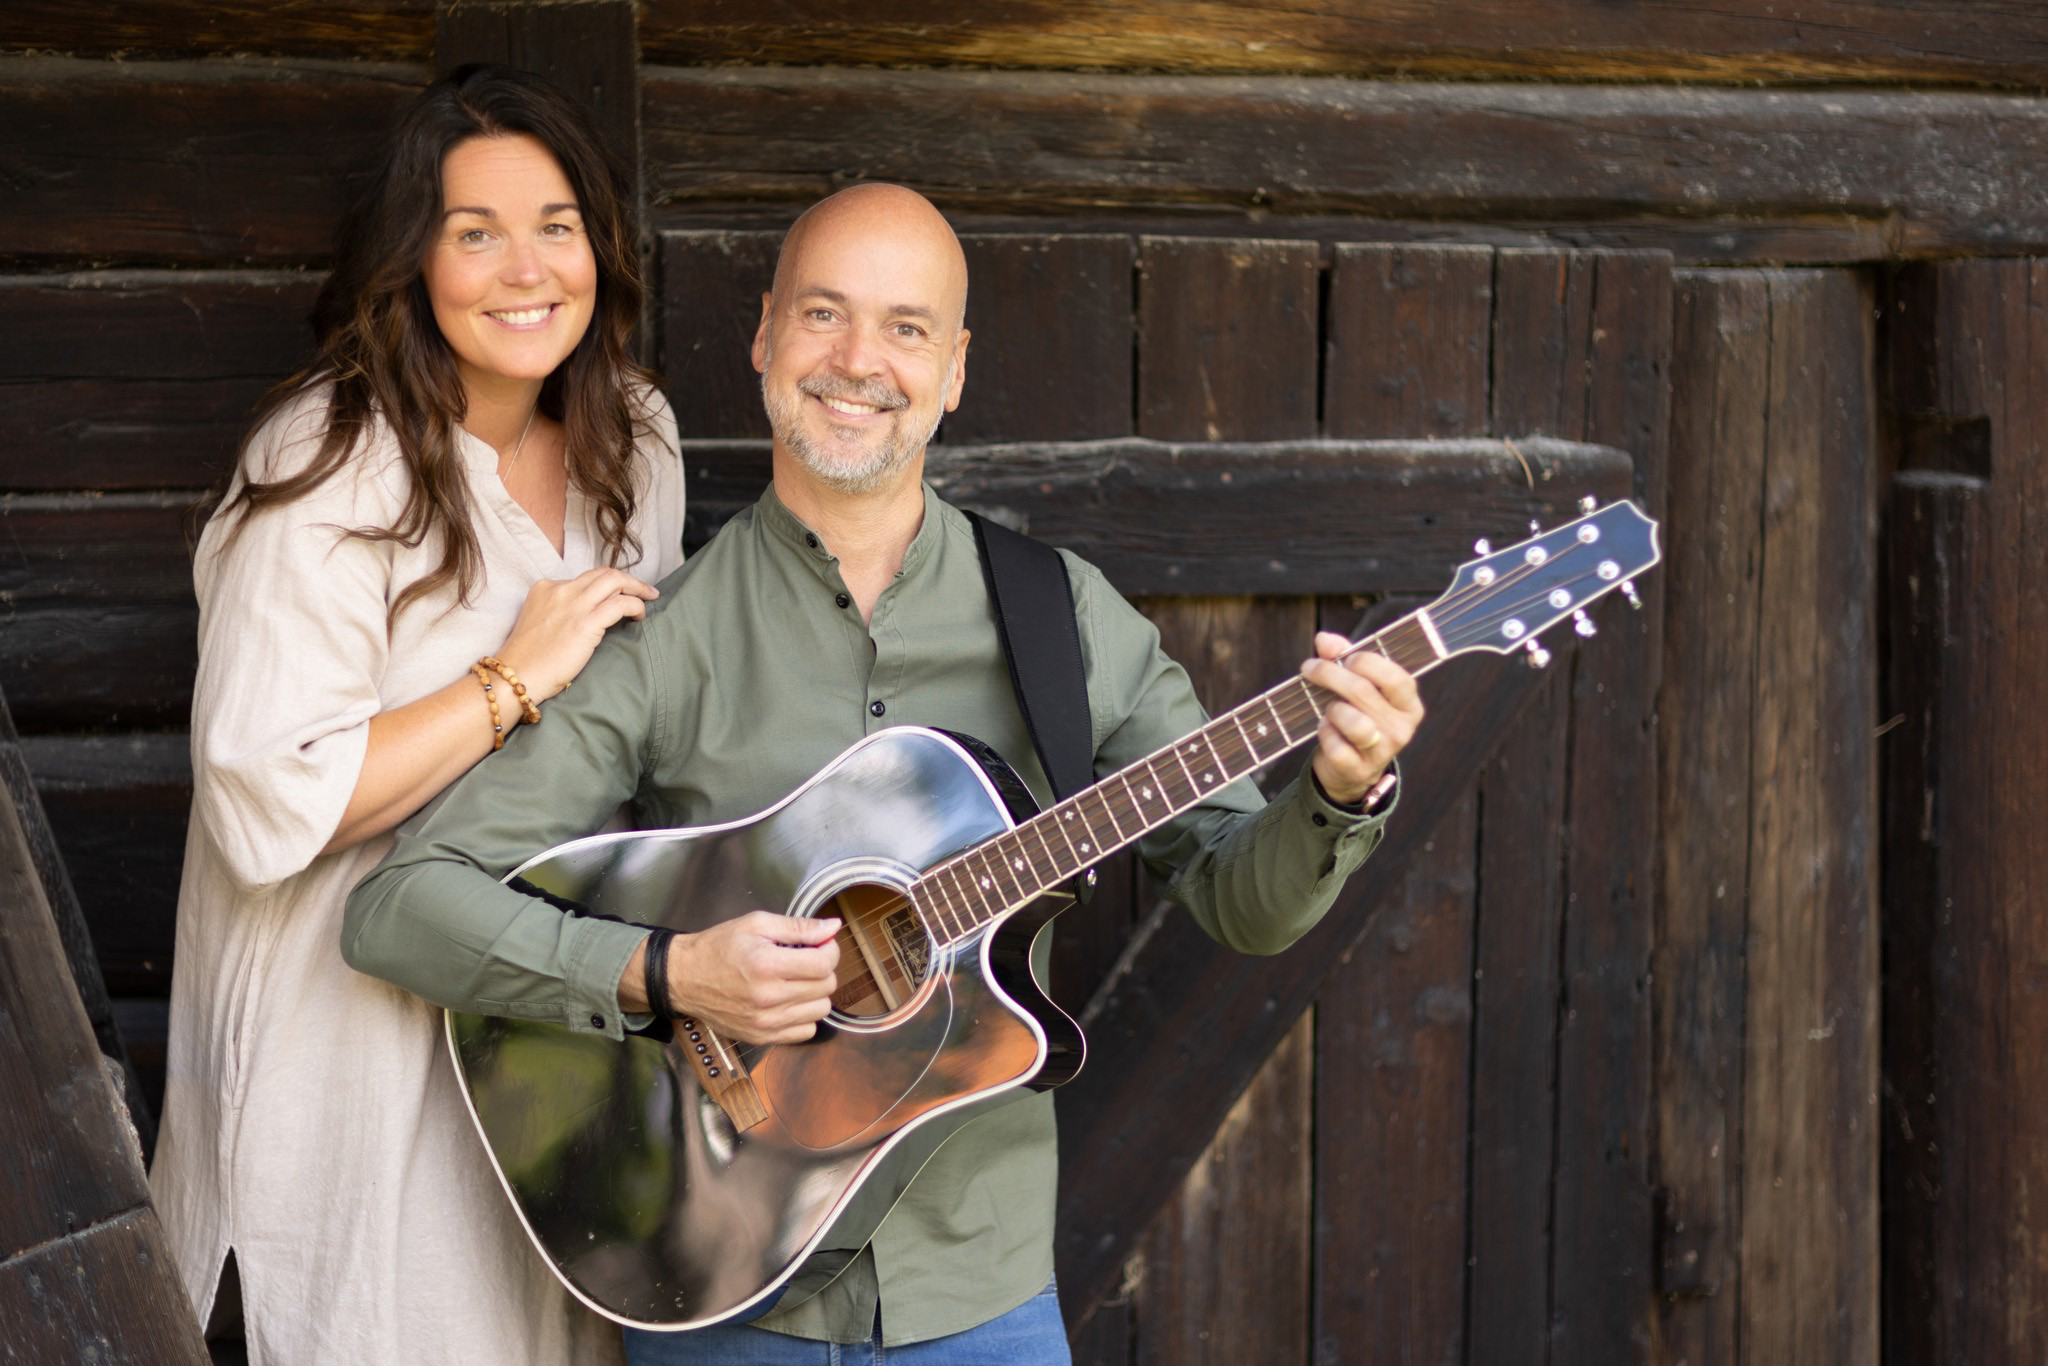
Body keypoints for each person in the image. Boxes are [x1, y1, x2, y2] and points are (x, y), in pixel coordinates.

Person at [344, 183, 1423, 1363]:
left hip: (978, 1295)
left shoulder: (1062, 621)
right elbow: (404, 905)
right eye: (824, 314)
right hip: (717, 1288)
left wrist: (1340, 787)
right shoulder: (664, 640)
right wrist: (669, 969)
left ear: (953, 370)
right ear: (763, 335)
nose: (859, 360)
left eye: (906, 328)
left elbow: (1238, 896)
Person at [149, 65, 685, 1366]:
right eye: (476, 230)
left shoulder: (640, 441)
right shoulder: (328, 459)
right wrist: (513, 677)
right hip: (346, 1043)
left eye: (556, 224)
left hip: (541, 1036)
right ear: (413, 260)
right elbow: (273, 799)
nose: (527, 267)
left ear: (602, 249)